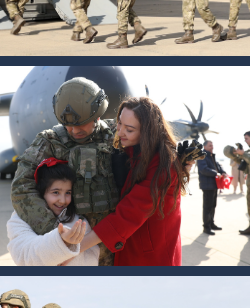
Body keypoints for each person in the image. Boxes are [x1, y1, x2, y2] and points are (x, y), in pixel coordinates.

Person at [12, 78, 120, 265]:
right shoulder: (50, 141)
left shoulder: (116, 134)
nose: (74, 130)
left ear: (98, 115)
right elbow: (21, 188)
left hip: (115, 243)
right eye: (68, 125)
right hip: (73, 252)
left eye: (81, 124)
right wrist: (58, 233)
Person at [78, 96, 195, 265]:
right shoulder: (133, 154)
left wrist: (73, 250)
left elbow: (129, 214)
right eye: (120, 124)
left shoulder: (163, 164)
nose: (120, 132)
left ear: (147, 132)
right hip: (136, 246)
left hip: (151, 257)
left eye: (129, 129)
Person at [7, 159, 100, 265]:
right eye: (56, 192)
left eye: (68, 193)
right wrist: (61, 242)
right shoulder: (20, 219)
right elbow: (24, 256)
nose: (63, 200)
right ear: (41, 192)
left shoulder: (78, 219)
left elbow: (92, 256)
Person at [197, 140, 227, 235]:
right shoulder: (202, 156)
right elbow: (203, 169)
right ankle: (206, 227)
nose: (212, 147)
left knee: (213, 206)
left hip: (214, 184)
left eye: (212, 145)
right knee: (207, 207)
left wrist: (223, 172)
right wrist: (216, 173)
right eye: (210, 145)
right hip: (207, 185)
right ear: (204, 147)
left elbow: (217, 166)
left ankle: (211, 224)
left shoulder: (211, 156)